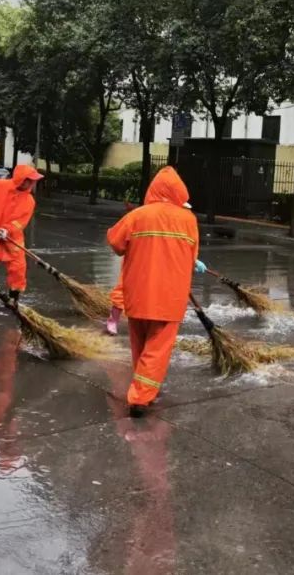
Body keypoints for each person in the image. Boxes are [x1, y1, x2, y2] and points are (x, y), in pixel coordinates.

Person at [107, 166, 202, 418]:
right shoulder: (189, 220)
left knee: (140, 344)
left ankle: (142, 387)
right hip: (169, 298)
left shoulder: (137, 216)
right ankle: (140, 397)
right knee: (157, 348)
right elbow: (192, 256)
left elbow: (115, 243)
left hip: (137, 294)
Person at [0, 164, 44, 312]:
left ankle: (14, 300)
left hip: (13, 241)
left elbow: (20, 222)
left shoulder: (29, 201)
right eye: (29, 180)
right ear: (21, 180)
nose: (32, 183)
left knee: (18, 270)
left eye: (33, 180)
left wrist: (7, 229)